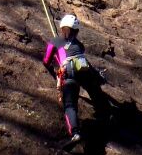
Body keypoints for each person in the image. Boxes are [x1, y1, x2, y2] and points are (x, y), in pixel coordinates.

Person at [43, 13, 110, 148]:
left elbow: (46, 61)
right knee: (92, 87)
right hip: (84, 72)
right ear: (76, 31)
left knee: (70, 105)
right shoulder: (79, 45)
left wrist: (54, 71)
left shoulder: (55, 42)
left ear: (61, 27)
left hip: (69, 75)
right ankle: (103, 112)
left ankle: (75, 133)